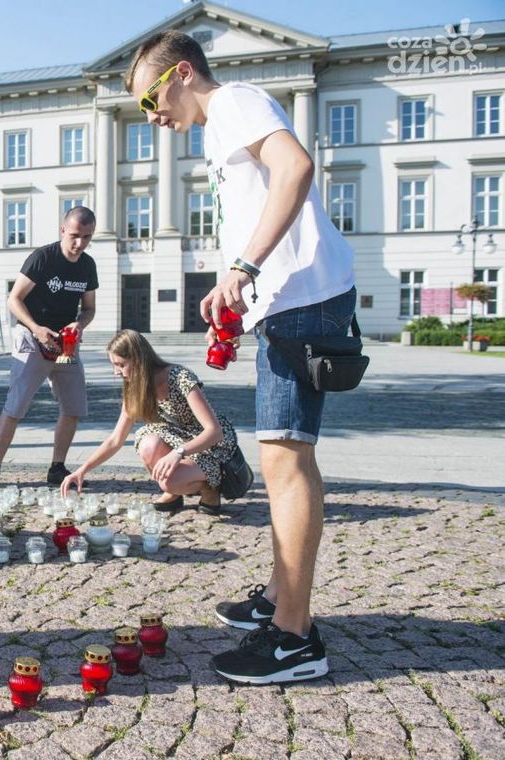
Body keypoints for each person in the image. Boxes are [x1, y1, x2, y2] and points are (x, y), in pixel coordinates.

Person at [127, 30, 356, 684]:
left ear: (181, 73)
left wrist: (246, 266)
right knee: (284, 457)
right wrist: (231, 282)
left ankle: (294, 639)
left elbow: (295, 168)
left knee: (286, 462)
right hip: (289, 301)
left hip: (303, 299)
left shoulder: (233, 101)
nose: (151, 116)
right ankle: (282, 603)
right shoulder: (216, 125)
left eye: (150, 98)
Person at [0, 206, 98, 491]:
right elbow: (14, 299)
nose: (80, 243)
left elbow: (89, 308)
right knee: (16, 405)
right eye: (75, 236)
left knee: (73, 406)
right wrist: (36, 328)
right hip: (32, 339)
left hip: (66, 345)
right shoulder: (43, 258)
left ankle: (57, 467)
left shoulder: (88, 265)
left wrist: (80, 324)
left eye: (87, 237)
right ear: (63, 231)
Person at [59, 330, 238, 515]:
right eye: (114, 365)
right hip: (177, 438)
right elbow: (115, 440)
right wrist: (82, 470)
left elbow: (214, 431)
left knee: (169, 480)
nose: (116, 372)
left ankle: (210, 488)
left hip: (210, 444)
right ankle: (174, 493)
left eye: (121, 364)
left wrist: (178, 453)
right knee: (148, 443)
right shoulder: (135, 387)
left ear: (138, 359)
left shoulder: (179, 377)